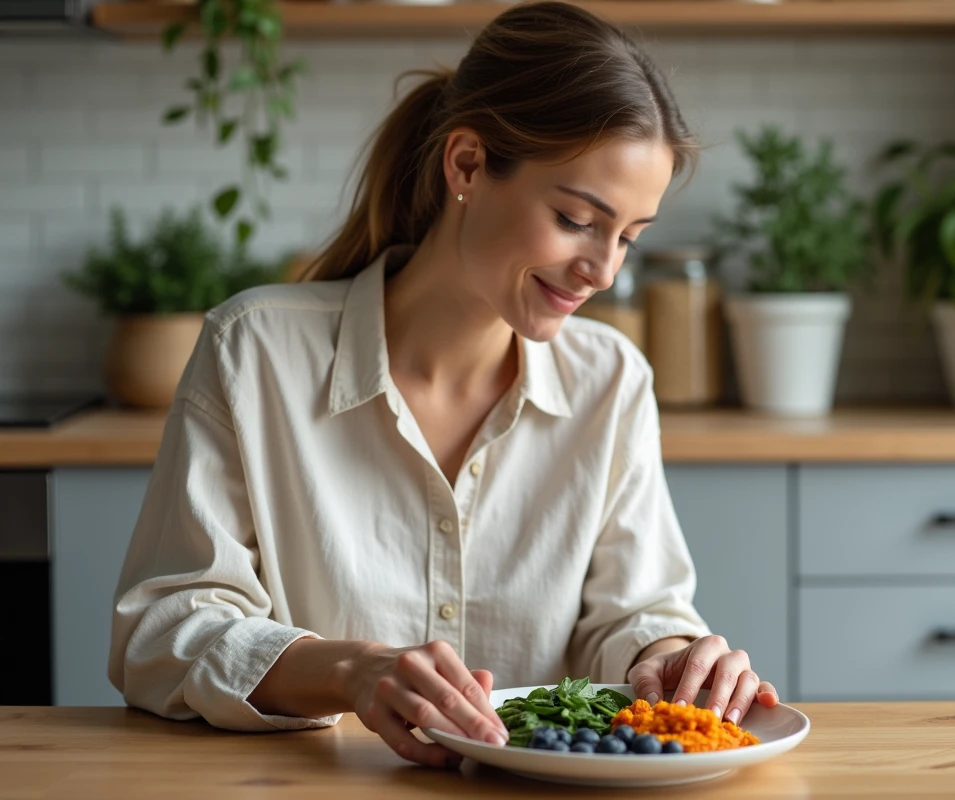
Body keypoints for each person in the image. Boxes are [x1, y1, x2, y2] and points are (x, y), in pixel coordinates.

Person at [108, 0, 778, 769]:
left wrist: (667, 655)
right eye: (575, 219)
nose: (604, 271)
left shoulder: (611, 378)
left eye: (628, 236)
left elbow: (630, 611)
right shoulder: (254, 350)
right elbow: (161, 632)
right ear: (465, 164)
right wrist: (351, 671)